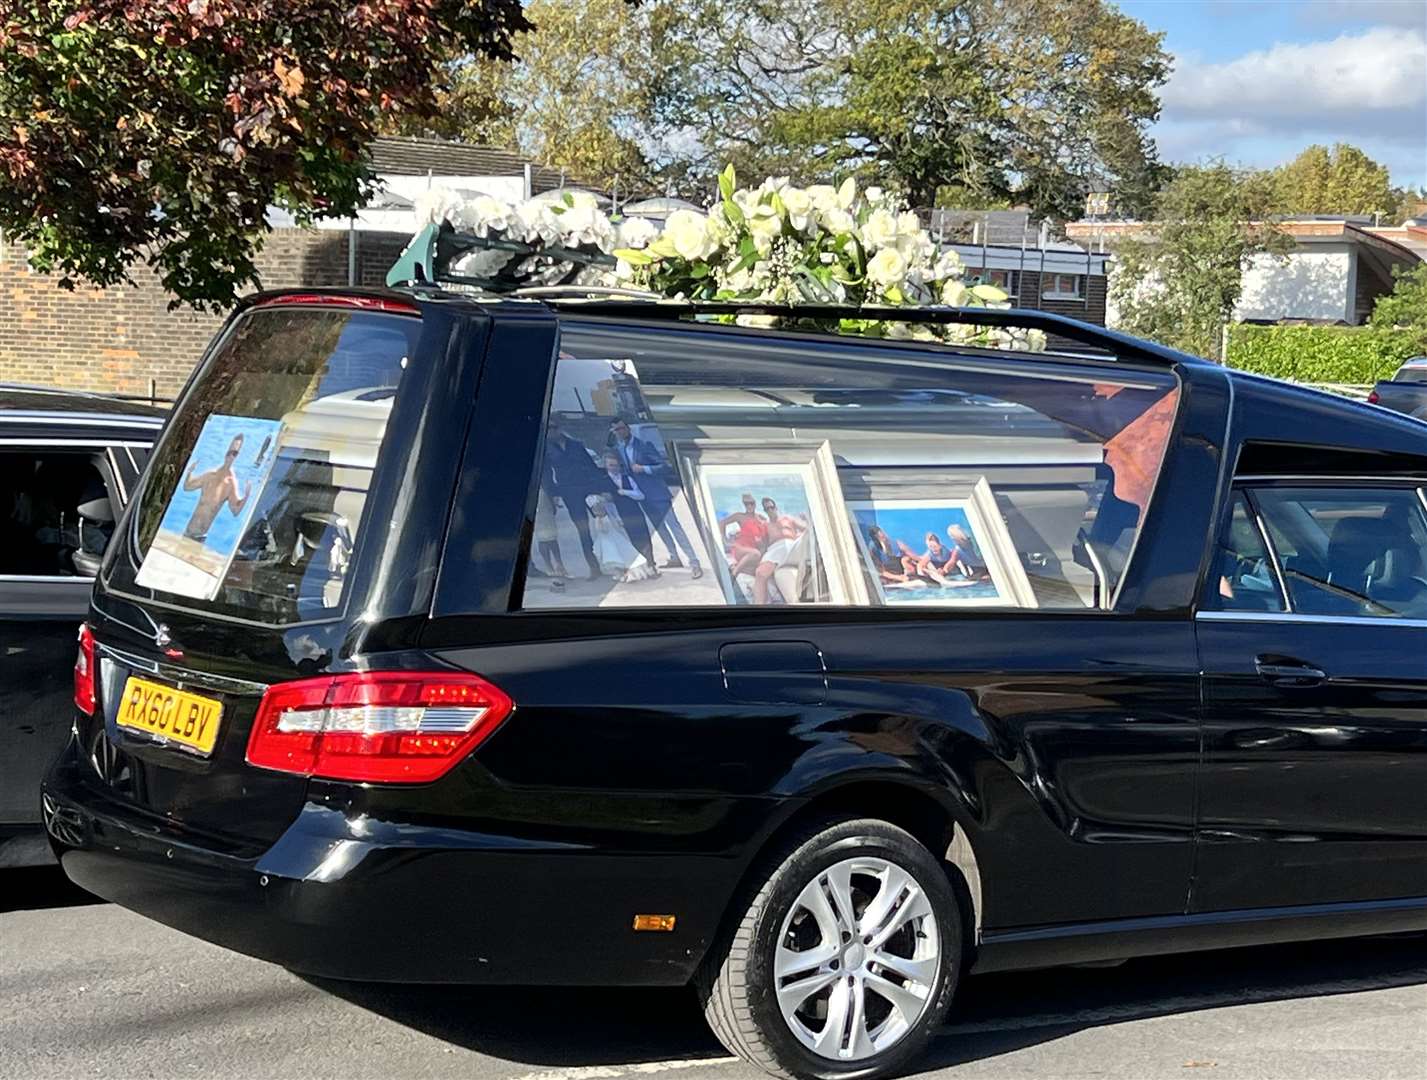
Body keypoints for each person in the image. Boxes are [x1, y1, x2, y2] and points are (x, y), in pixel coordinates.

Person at [609, 419, 703, 579]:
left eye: (622, 428)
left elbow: (664, 467)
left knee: (675, 527)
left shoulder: (644, 445)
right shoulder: (619, 448)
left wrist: (644, 468)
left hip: (658, 494)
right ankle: (674, 557)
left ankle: (694, 562)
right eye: (616, 430)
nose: (620, 432)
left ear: (628, 428)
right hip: (642, 497)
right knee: (660, 529)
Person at [544, 421, 614, 580]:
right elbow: (547, 474)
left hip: (588, 488)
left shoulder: (576, 445)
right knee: (583, 530)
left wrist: (601, 488)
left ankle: (615, 561)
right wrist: (553, 494)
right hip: (569, 493)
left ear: (560, 429)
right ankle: (594, 568)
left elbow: (590, 466)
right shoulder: (547, 449)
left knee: (604, 524)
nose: (551, 433)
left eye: (553, 428)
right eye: (548, 430)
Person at [182, 434, 250, 542]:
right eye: (229, 452)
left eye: (234, 453)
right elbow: (187, 487)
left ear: (237, 456)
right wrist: (189, 472)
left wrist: (246, 496)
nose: (230, 456)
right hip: (187, 533)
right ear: (225, 451)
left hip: (199, 538)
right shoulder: (209, 476)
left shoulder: (231, 483)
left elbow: (235, 510)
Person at [599, 451, 658, 573]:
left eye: (616, 465)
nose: (614, 468)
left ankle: (651, 566)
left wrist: (625, 492)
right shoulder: (603, 482)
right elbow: (606, 504)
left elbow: (640, 495)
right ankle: (637, 569)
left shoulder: (627, 478)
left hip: (634, 513)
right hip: (618, 516)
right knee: (629, 543)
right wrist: (614, 518)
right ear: (606, 466)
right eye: (611, 465)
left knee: (644, 539)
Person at [585, 494, 656, 582]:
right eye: (594, 509)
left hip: (617, 540)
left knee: (625, 557)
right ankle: (620, 574)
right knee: (614, 559)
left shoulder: (609, 517)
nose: (597, 510)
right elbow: (600, 531)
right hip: (607, 542)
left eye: (598, 508)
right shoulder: (597, 520)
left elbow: (610, 528)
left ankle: (633, 574)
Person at [719, 493, 769, 578]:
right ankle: (734, 574)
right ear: (744, 505)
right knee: (756, 554)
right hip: (741, 549)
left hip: (755, 551)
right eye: (746, 504)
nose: (749, 506)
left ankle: (735, 567)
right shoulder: (740, 516)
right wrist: (725, 540)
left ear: (755, 504)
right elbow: (722, 523)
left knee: (759, 570)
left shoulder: (761, 518)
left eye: (751, 503)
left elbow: (766, 536)